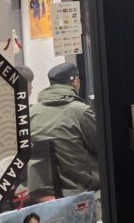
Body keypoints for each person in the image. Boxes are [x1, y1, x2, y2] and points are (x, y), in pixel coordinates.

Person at [28, 62, 100, 195]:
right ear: (75, 81)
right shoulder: (80, 112)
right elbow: (101, 147)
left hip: (42, 194)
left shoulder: (31, 113)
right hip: (81, 192)